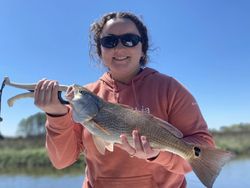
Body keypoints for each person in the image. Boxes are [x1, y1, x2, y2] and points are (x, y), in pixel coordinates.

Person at [34, 12, 215, 188]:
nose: (119, 48)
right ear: (100, 50)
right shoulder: (86, 97)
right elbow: (61, 161)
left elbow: (205, 149)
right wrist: (55, 115)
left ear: (142, 48)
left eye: (130, 40)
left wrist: (158, 154)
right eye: (109, 41)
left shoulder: (170, 88)